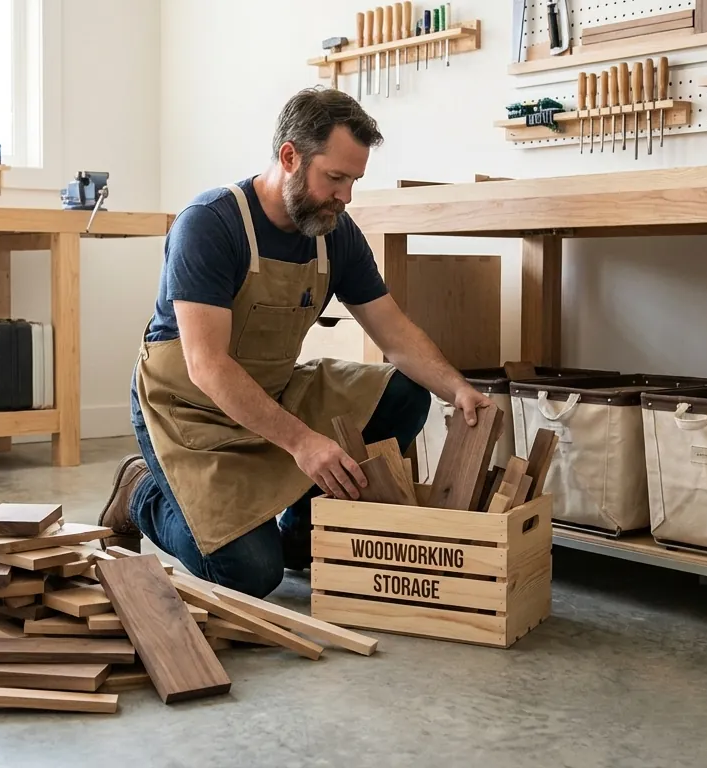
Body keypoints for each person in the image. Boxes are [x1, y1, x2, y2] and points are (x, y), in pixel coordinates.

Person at [99, 87, 492, 598]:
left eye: (353, 180)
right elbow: (207, 366)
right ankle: (142, 493)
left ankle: (301, 535)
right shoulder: (211, 224)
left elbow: (393, 333)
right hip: (188, 413)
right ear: (290, 156)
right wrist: (304, 443)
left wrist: (457, 389)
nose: (345, 195)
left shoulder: (336, 232)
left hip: (271, 392)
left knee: (404, 393)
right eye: (335, 177)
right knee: (249, 575)